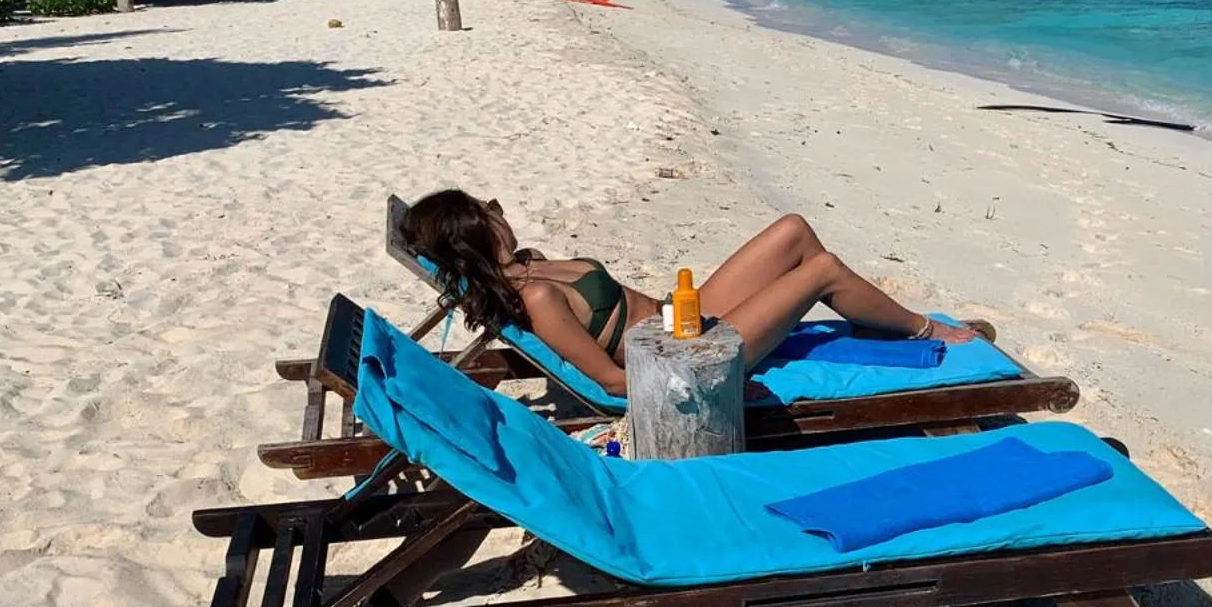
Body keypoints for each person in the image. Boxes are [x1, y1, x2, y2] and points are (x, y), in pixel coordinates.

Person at [401, 189, 975, 398]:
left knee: (794, 230)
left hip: (690, 316)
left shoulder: (529, 265)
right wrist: (712, 388)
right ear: (478, 233)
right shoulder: (539, 301)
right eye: (491, 211)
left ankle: (878, 319)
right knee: (820, 268)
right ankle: (921, 329)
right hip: (694, 355)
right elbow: (610, 381)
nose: (502, 214)